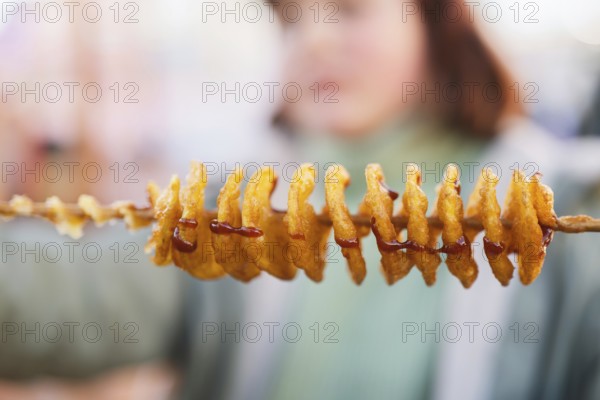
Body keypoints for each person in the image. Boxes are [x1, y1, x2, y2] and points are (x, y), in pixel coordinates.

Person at [177, 1, 600, 399]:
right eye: (292, 19)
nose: (313, 37)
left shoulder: (564, 213)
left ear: (432, 22)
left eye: (348, 9)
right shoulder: (239, 200)